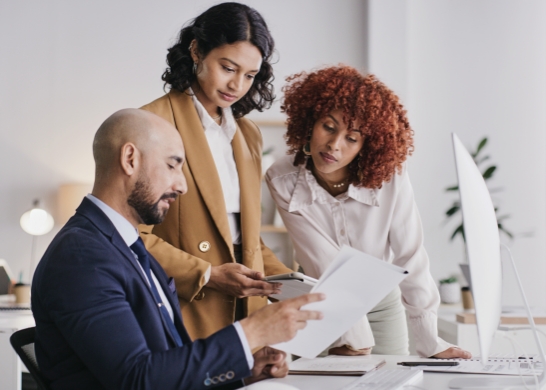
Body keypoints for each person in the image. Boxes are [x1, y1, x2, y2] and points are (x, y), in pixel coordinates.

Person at [31, 108, 324, 390]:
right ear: (130, 159)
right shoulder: (81, 257)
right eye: (173, 165)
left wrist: (243, 375)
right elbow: (137, 380)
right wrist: (252, 333)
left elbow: (166, 369)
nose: (182, 185)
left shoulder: (127, 246)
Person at [265, 66, 472, 359]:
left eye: (352, 138)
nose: (334, 145)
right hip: (320, 300)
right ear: (311, 121)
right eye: (329, 126)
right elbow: (320, 259)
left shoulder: (391, 177)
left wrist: (430, 340)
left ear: (367, 145)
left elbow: (409, 255)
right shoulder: (282, 178)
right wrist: (353, 336)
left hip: (382, 303)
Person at [139, 2, 293, 340]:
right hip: (184, 310)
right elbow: (131, 236)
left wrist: (295, 286)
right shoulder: (152, 125)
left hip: (246, 315)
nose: (237, 84)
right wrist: (207, 274)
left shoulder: (248, 134)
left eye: (250, 75)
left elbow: (244, 239)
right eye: (228, 67)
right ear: (196, 50)